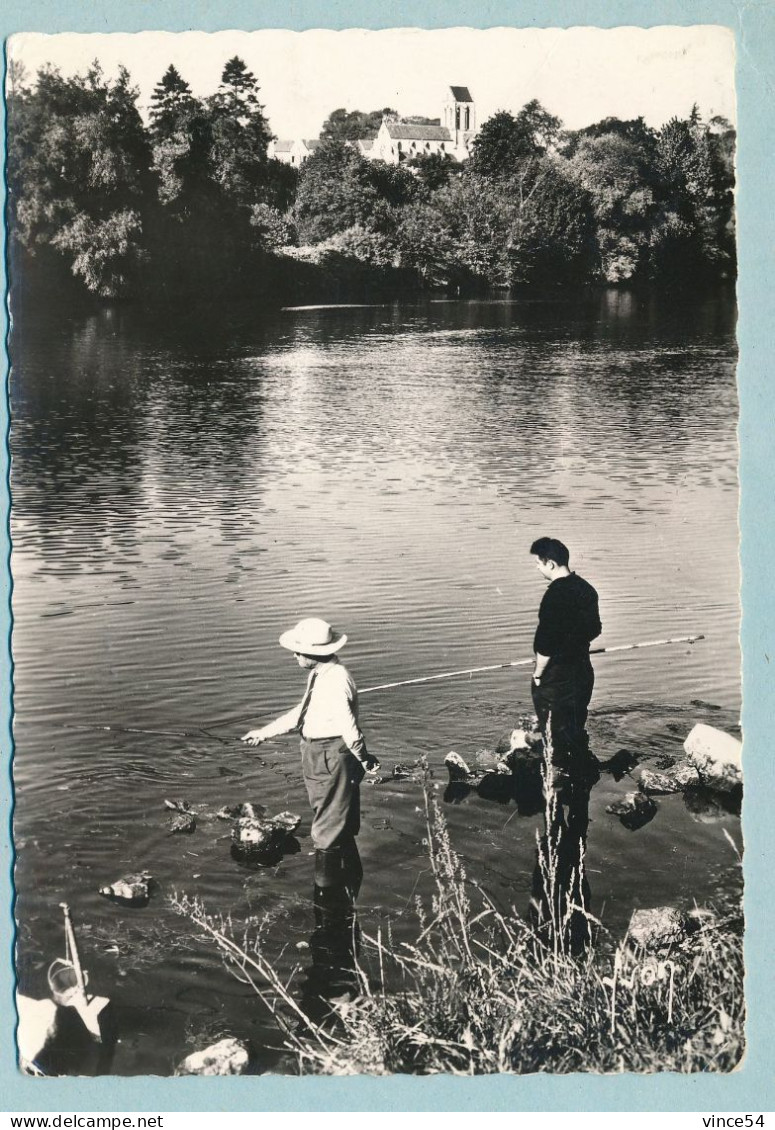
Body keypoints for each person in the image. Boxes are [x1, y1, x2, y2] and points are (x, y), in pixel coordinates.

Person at [241, 617, 378, 897]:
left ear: (312, 653)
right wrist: (264, 732)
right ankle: (350, 885)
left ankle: (326, 900)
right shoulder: (320, 674)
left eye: (298, 651)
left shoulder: (336, 680)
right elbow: (302, 712)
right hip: (321, 752)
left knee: (327, 828)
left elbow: (348, 728)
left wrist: (365, 760)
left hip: (330, 754)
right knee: (337, 820)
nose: (295, 655)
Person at [529, 537, 602, 778]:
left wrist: (538, 675)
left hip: (556, 677)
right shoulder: (586, 589)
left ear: (550, 563)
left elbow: (546, 645)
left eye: (538, 564)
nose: (537, 569)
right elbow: (595, 629)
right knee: (575, 727)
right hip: (582, 672)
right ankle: (580, 797)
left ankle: (556, 795)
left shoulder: (554, 596)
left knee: (553, 737)